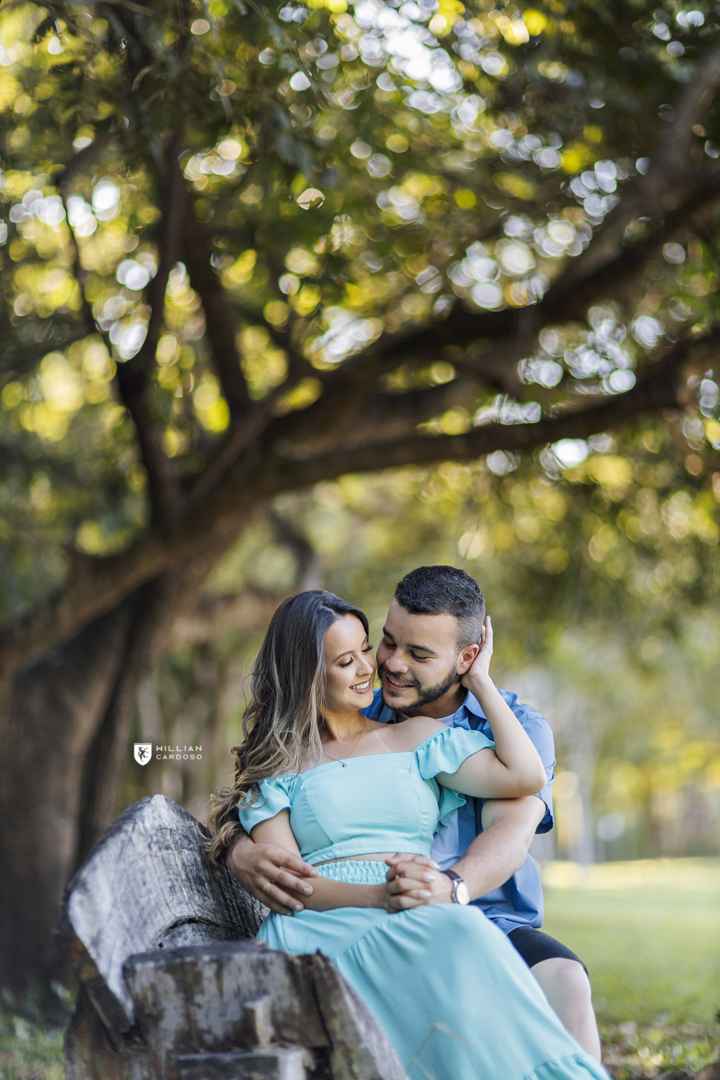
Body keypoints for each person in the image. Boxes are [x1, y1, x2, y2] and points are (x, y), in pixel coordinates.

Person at [208, 590, 609, 1080]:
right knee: (456, 932)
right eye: (354, 656)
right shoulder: (283, 766)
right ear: (306, 674)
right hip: (327, 921)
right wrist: (237, 849)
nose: (375, 668)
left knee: (477, 939)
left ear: (462, 658)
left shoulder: (416, 735)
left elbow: (525, 781)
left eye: (367, 650)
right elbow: (292, 883)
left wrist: (480, 681)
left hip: (441, 906)